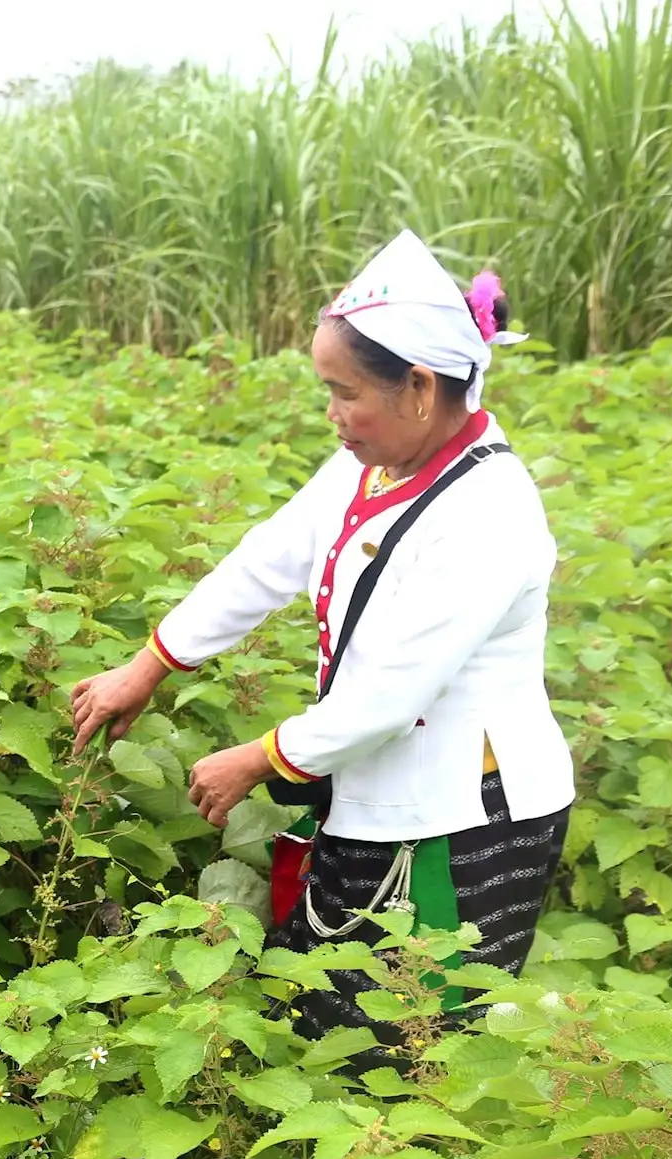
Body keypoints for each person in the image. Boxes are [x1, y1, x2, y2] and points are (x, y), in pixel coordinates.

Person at [69, 229, 573, 1043]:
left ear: (418, 385)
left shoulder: (489, 513)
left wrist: (256, 759)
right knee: (317, 1014)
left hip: (462, 820)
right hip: (373, 792)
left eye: (345, 394)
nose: (333, 416)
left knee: (413, 1048)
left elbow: (390, 694)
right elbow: (266, 560)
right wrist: (150, 664)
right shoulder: (374, 462)